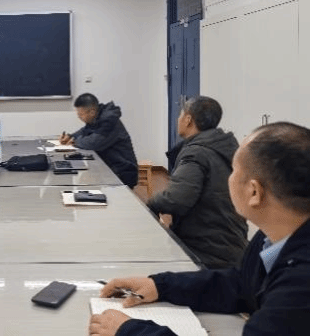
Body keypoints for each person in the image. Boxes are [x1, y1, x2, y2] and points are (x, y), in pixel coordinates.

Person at [89, 121, 310, 336]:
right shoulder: (273, 237)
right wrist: (160, 286)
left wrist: (130, 331)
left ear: (254, 192)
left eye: (233, 170)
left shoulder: (300, 285)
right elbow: (240, 285)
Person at [147, 96, 248, 268]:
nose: (178, 120)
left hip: (207, 251)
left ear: (188, 120)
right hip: (231, 242)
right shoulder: (225, 146)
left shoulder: (196, 153)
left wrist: (151, 203)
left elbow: (176, 199)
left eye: (180, 115)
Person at [60, 93, 138, 188]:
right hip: (107, 168)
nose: (79, 117)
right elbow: (85, 131)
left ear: (92, 112)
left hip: (122, 172)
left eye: (81, 114)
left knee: (84, 186)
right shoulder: (97, 117)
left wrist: (74, 142)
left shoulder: (109, 121)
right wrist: (70, 136)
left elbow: (93, 143)